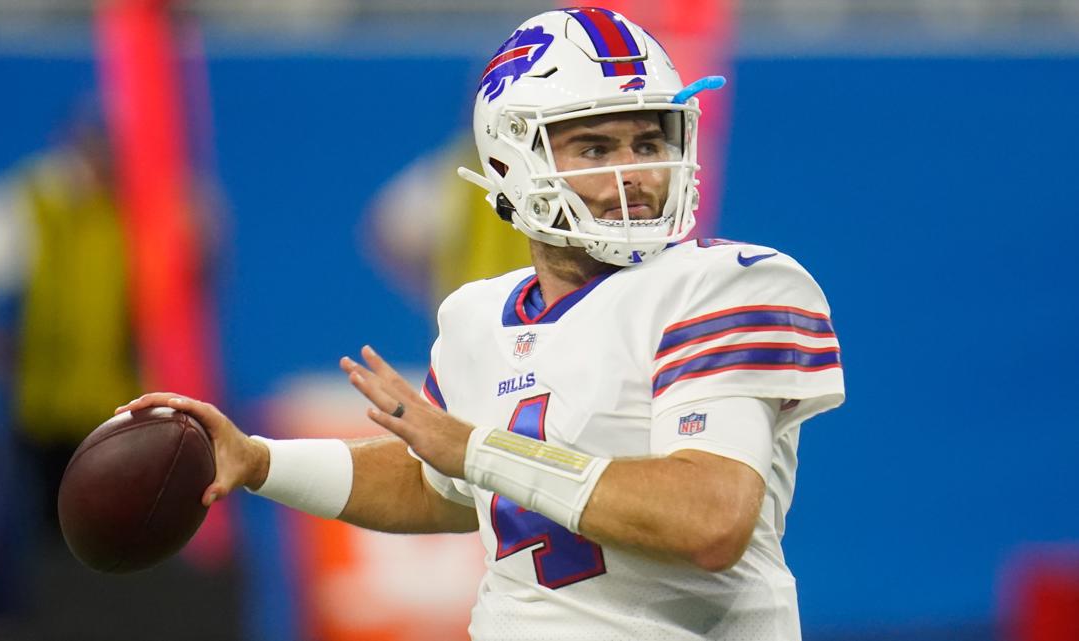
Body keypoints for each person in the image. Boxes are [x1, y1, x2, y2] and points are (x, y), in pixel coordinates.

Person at [119, 8, 844, 640]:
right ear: (510, 159)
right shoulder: (476, 316)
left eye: (649, 142)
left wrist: (477, 449)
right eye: (595, 147)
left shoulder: (726, 284)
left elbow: (709, 517)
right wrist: (261, 462)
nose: (637, 172)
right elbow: (437, 486)